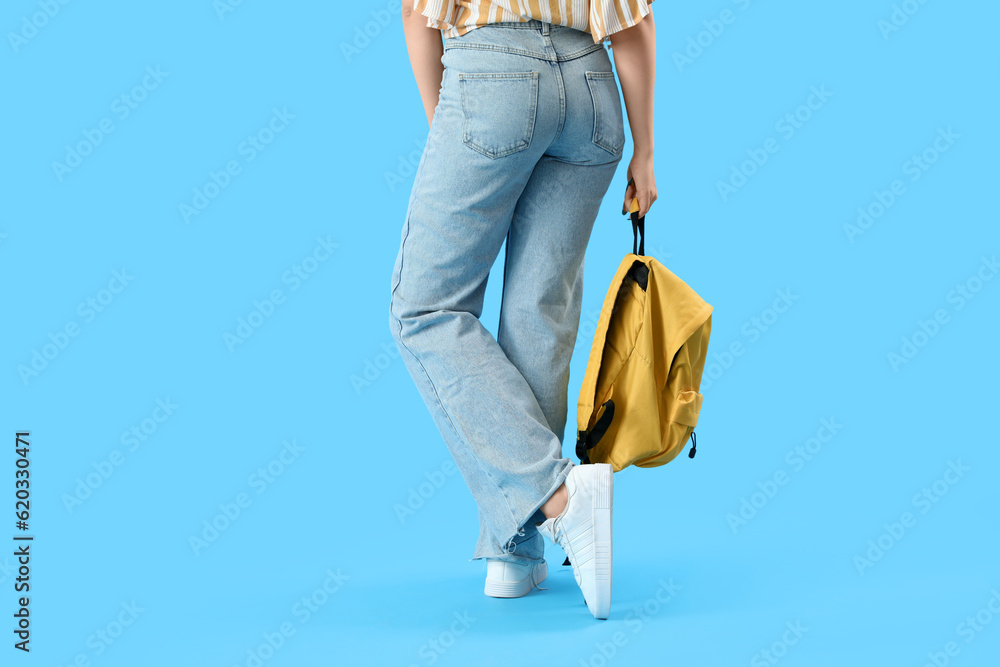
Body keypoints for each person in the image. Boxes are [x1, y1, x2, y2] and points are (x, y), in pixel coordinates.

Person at [389, 0, 656, 620]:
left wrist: (450, 127)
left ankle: (557, 496)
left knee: (424, 308)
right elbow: (635, 21)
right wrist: (644, 154)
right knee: (540, 315)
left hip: (493, 77)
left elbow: (413, 12)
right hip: (593, 89)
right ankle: (515, 550)